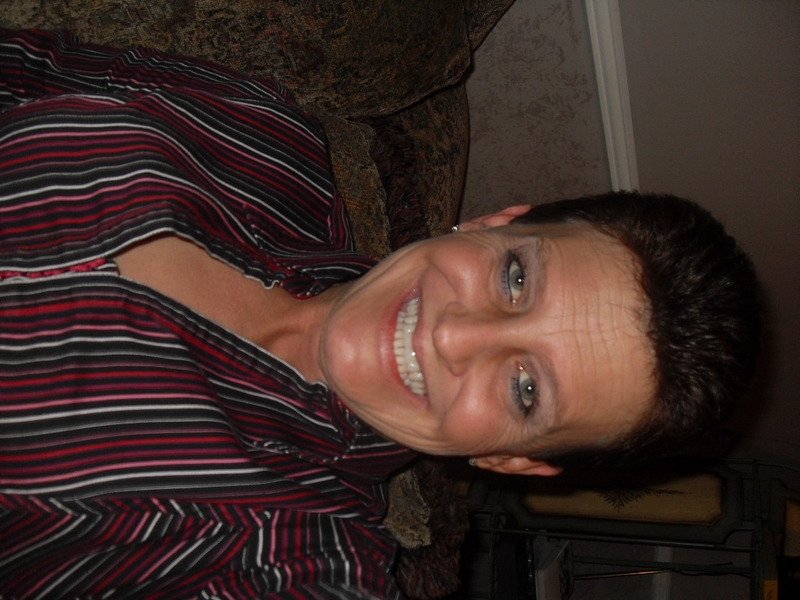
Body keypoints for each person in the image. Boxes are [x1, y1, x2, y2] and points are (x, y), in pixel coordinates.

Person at [0, 29, 760, 599]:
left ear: (509, 461)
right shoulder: (267, 131)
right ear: (493, 223)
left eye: (526, 389)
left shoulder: (290, 554)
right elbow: (28, 62)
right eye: (516, 278)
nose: (452, 335)